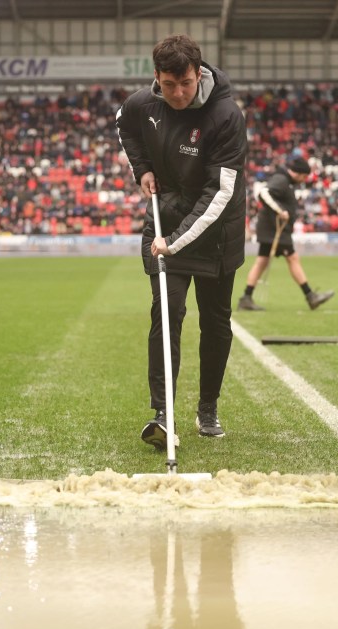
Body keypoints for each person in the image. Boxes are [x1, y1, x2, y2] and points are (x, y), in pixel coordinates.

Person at [116, 34, 247, 445]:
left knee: (216, 322)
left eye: (185, 84)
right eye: (168, 84)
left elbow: (220, 194)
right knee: (167, 313)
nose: (177, 93)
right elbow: (123, 124)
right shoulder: (144, 103)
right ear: (157, 77)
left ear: (199, 73)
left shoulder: (226, 115)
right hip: (165, 223)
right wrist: (142, 169)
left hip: (215, 232)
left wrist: (174, 241)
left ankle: (207, 407)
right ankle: (164, 413)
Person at [237, 156, 334, 311]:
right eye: (303, 177)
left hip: (272, 229)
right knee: (292, 258)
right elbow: (264, 193)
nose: (303, 180)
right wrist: (280, 210)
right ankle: (311, 296)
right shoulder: (281, 180)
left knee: (262, 261)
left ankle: (246, 298)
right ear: (298, 173)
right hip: (275, 231)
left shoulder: (284, 180)